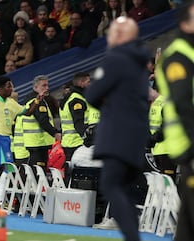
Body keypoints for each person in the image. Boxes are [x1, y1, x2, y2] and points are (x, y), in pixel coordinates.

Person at [85, 16, 150, 241]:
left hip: (118, 133)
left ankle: (133, 238)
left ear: (121, 35)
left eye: (111, 32)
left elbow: (92, 94)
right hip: (136, 135)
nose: (108, 37)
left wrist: (109, 101)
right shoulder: (139, 63)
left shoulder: (116, 58)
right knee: (125, 190)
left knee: (110, 184)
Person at [155, 2, 194, 240]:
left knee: (188, 220)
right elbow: (182, 104)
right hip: (188, 145)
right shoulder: (178, 57)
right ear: (184, 24)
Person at [0, 76, 45, 207]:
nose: (11, 88)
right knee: (7, 167)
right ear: (0, 89)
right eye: (8, 86)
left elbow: (27, 112)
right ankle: (1, 202)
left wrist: (36, 101)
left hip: (6, 139)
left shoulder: (11, 102)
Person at [22, 75, 62, 174]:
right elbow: (43, 121)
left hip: (34, 143)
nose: (47, 88)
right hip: (38, 143)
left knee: (34, 173)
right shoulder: (38, 102)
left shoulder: (30, 100)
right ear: (35, 88)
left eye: (47, 85)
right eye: (43, 86)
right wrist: (55, 133)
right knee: (39, 174)